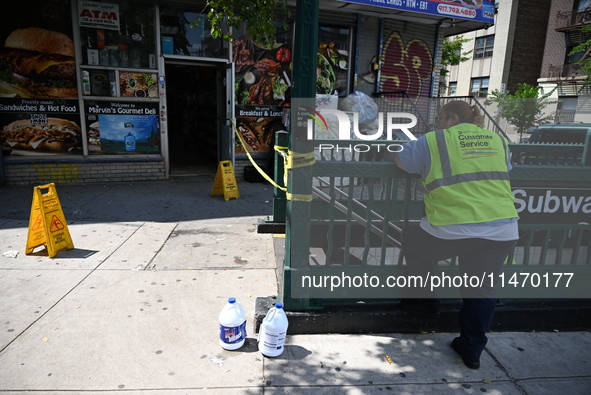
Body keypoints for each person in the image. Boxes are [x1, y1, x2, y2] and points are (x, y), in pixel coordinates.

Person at [394, 100, 519, 370]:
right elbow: (504, 170)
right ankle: (472, 350)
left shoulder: (434, 140)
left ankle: (424, 303)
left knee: (413, 243)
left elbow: (402, 161)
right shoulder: (497, 140)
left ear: (451, 119)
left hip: (451, 228)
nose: (436, 123)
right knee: (481, 289)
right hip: (501, 227)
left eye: (439, 118)